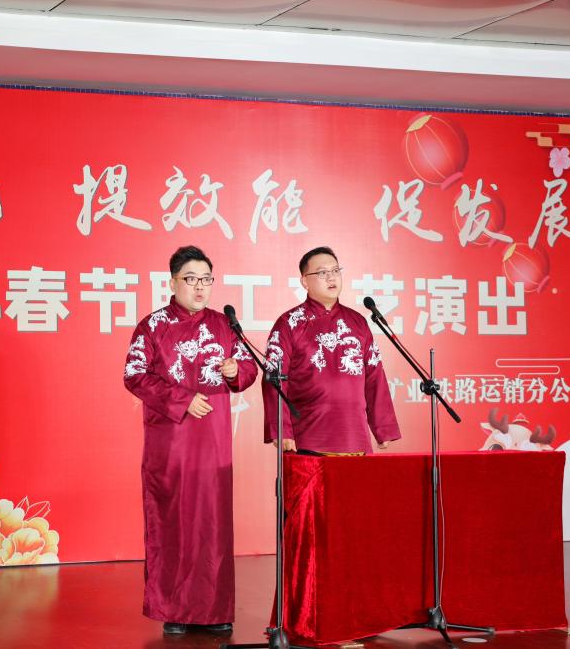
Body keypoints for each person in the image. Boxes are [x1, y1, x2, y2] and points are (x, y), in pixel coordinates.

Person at [123, 245, 258, 636]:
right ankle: (175, 609)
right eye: (191, 279)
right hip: (171, 443)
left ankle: (215, 609)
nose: (200, 287)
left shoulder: (224, 325)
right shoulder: (152, 326)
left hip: (213, 441)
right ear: (173, 282)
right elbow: (134, 375)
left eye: (206, 280)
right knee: (173, 522)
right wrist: (182, 400)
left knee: (213, 524)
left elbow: (249, 369)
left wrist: (235, 370)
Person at [263, 246, 400, 455]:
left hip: (355, 437)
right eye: (322, 273)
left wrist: (383, 427)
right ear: (304, 281)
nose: (331, 277)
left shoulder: (357, 322)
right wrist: (281, 429)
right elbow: (273, 379)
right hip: (308, 439)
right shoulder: (289, 323)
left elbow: (374, 376)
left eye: (335, 271)